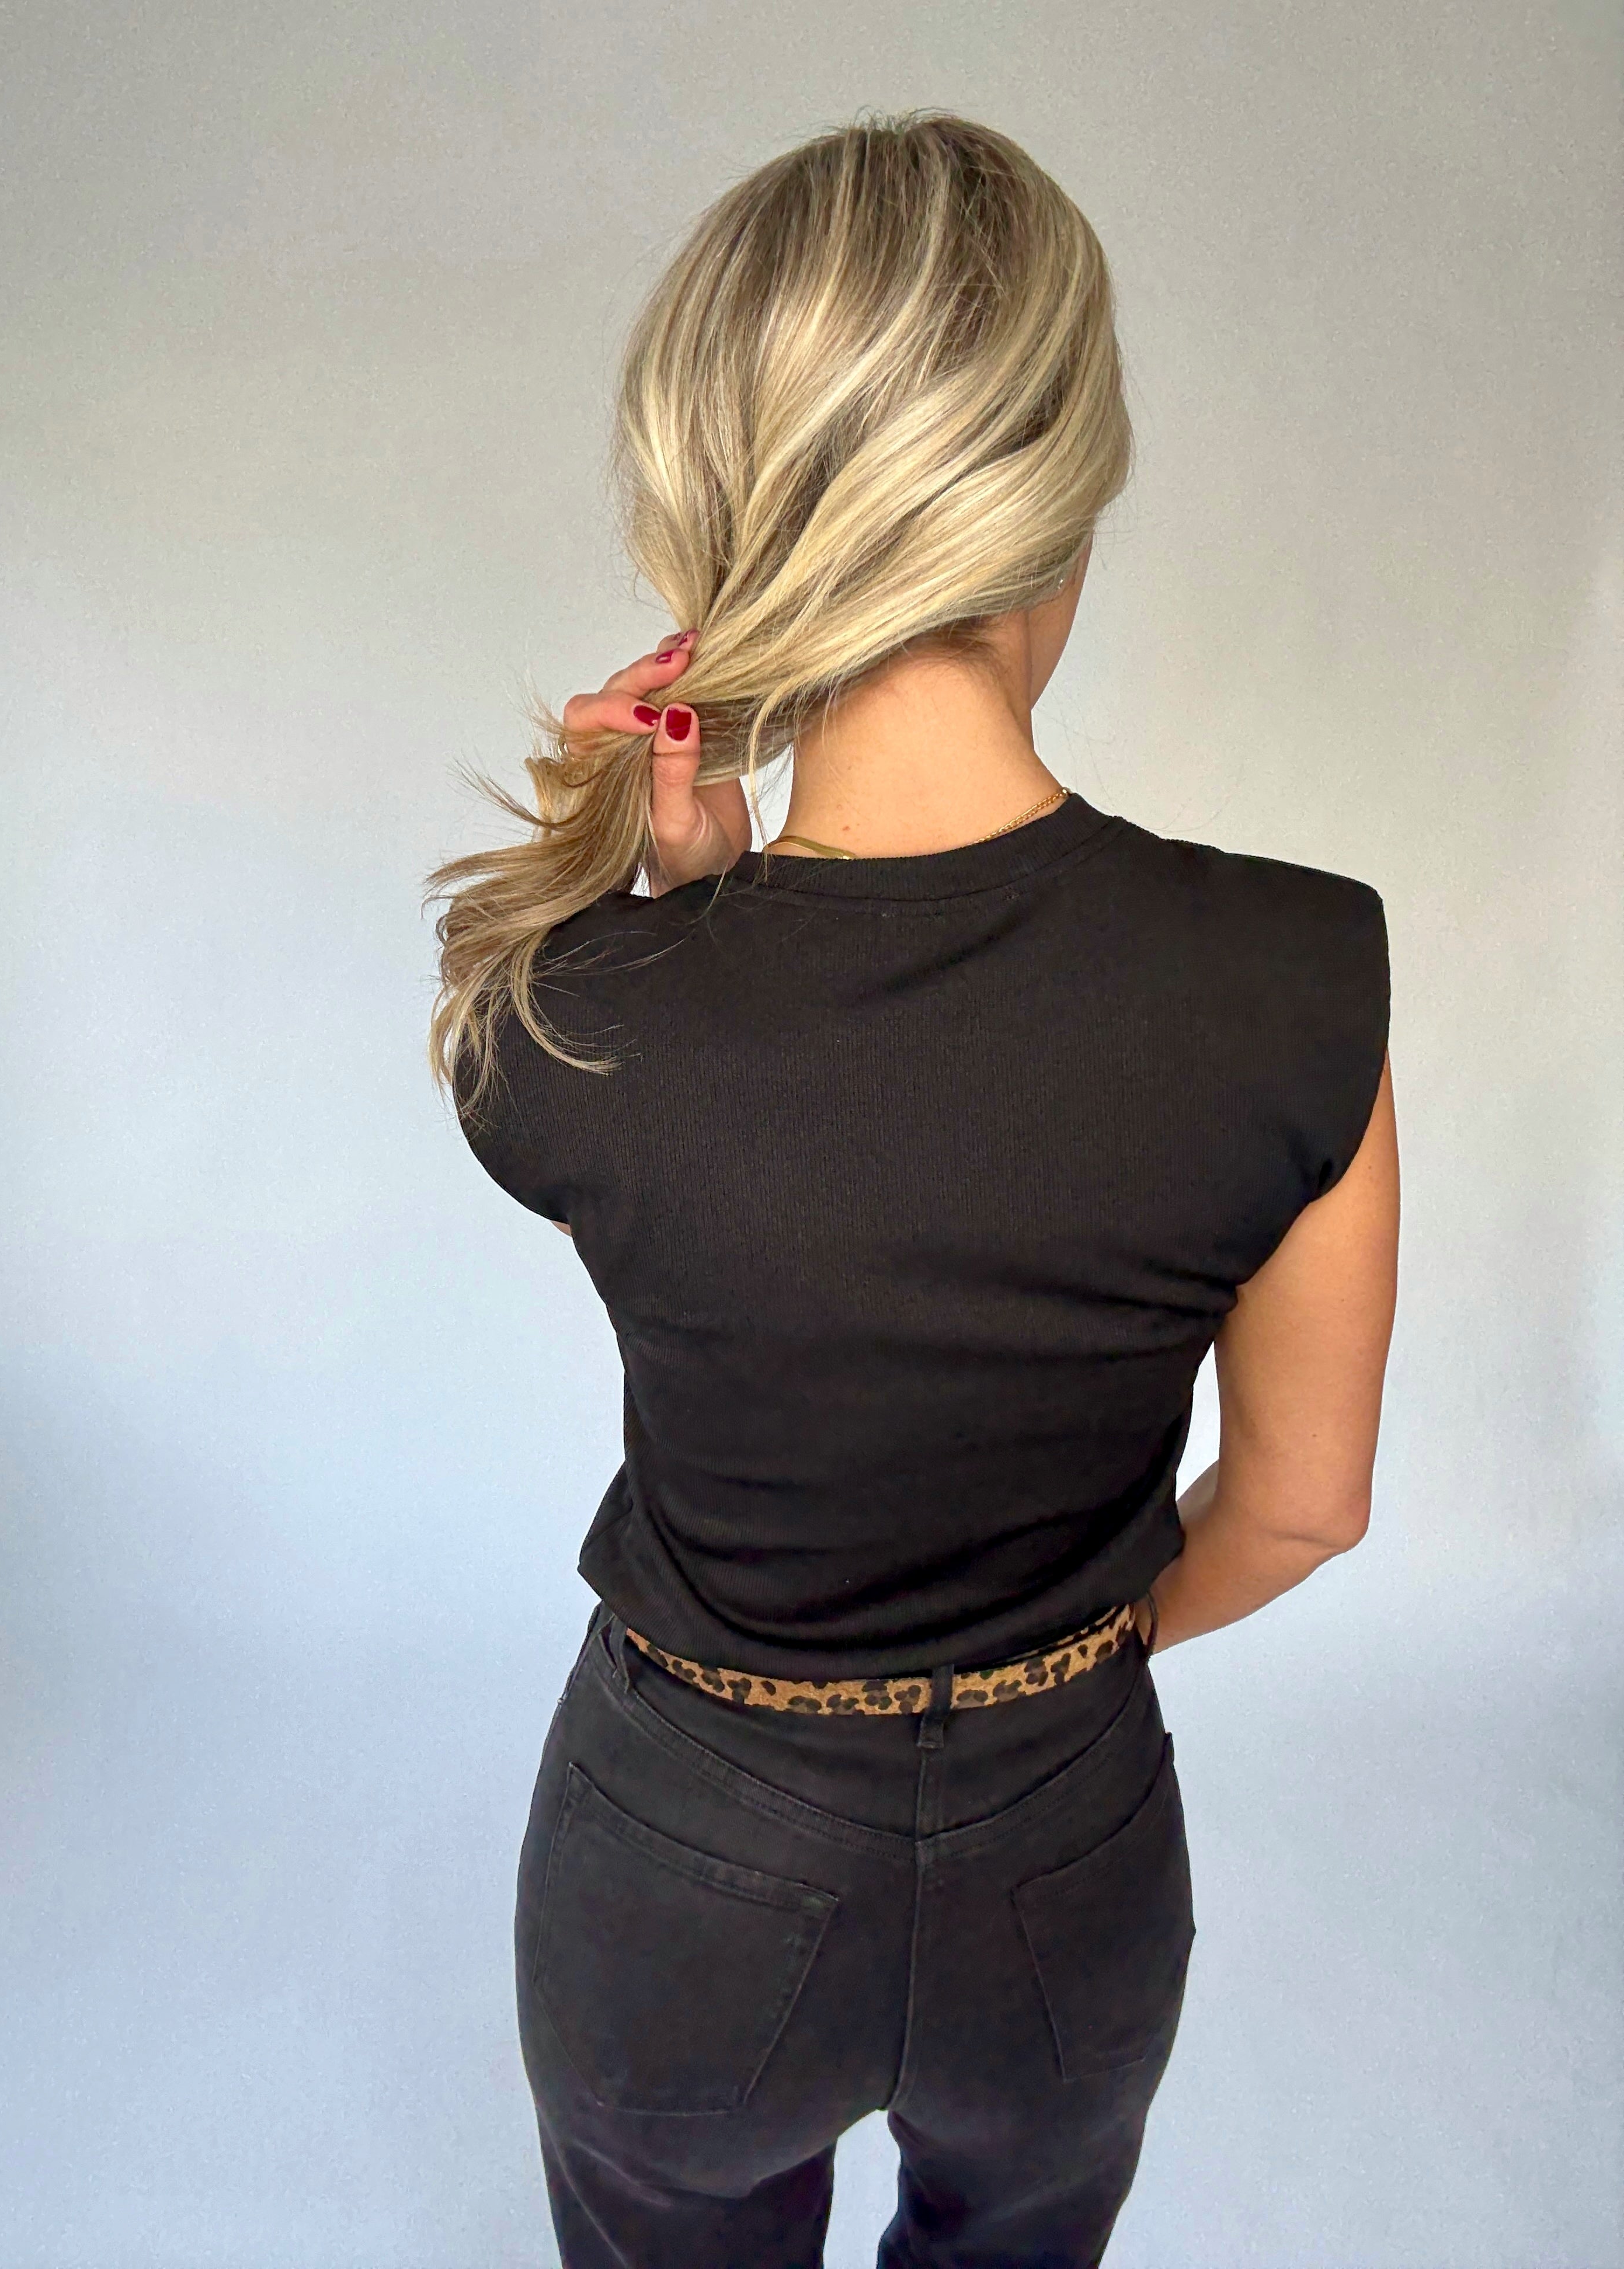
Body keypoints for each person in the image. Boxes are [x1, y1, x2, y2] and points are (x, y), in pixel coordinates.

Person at [427, 111, 1397, 2269]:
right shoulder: (1302, 970)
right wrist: (1045, 1675)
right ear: (1061, 492)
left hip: (685, 1862)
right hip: (1073, 1844)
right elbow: (1304, 1507)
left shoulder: (571, 1012)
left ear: (725, 511)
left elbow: (705, 1064)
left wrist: (676, 897)